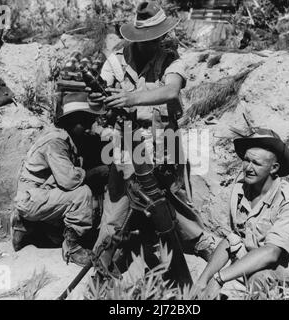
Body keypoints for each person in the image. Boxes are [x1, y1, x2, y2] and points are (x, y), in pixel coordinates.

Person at [89, 1, 216, 270]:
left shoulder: (171, 60)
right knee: (116, 205)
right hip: (127, 146)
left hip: (164, 145)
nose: (152, 44)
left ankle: (199, 243)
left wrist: (131, 98)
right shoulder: (116, 61)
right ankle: (103, 258)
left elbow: (170, 91)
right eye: (147, 39)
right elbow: (98, 105)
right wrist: (98, 100)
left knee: (174, 199)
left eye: (156, 38)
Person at [196, 128, 289, 296]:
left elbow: (272, 252)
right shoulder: (241, 189)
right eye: (246, 160)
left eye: (256, 163)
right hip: (254, 262)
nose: (248, 167)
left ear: (273, 168)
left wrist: (220, 278)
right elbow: (233, 240)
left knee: (259, 278)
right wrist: (202, 281)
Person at [12, 92, 108, 267]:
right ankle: (72, 248)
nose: (89, 127)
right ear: (70, 121)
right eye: (84, 122)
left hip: (40, 195)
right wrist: (97, 172)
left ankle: (29, 227)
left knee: (58, 235)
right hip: (31, 200)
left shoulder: (68, 138)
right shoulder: (56, 142)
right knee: (82, 193)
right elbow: (69, 181)